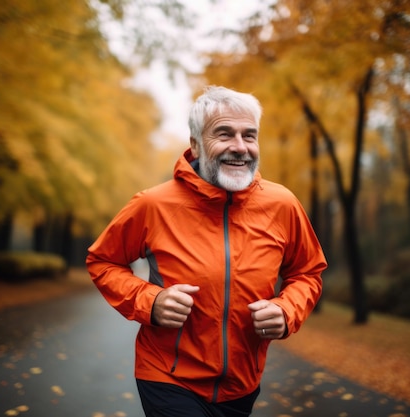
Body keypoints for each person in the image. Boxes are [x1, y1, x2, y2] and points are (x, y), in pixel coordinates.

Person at [86, 86, 327, 417]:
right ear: (196, 144)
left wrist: (287, 311)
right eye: (224, 134)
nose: (240, 147)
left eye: (249, 135)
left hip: (243, 383)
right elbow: (103, 261)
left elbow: (307, 272)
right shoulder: (153, 204)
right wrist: (150, 302)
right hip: (167, 375)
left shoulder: (282, 204)